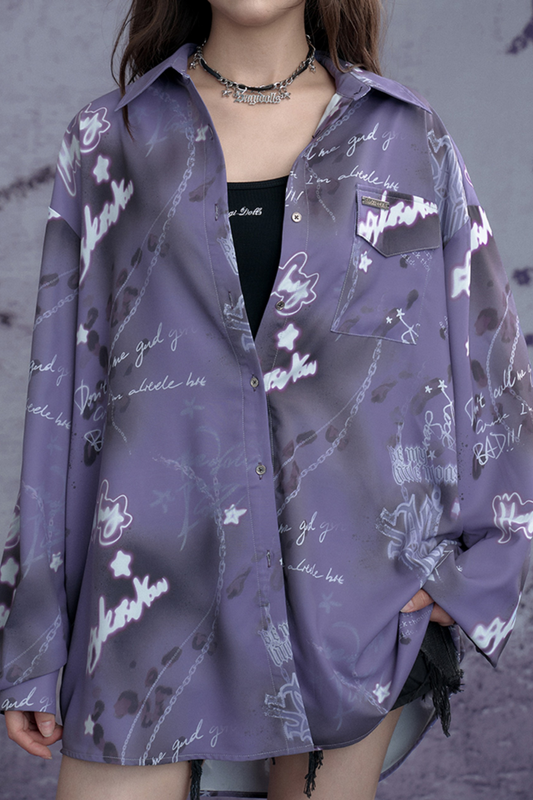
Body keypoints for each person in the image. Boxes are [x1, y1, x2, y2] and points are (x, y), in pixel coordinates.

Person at [1, 1, 532, 798]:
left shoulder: (403, 139)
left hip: (346, 613)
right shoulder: (109, 140)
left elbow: (489, 363)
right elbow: (61, 397)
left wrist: (481, 570)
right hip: (145, 605)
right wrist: (36, 635)